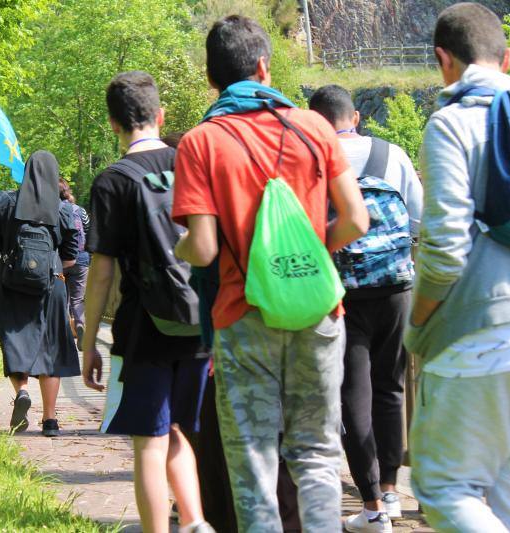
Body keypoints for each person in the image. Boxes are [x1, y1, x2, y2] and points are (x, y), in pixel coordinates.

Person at [171, 15, 368, 532]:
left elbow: (206, 248)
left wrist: (183, 245)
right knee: (318, 452)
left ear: (212, 79)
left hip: (244, 315)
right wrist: (299, 254)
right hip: (318, 309)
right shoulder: (315, 126)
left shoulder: (202, 142)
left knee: (254, 459)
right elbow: (356, 219)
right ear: (264, 66)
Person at [405, 4, 510, 531]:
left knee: (445, 486)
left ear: (443, 60)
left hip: (484, 340)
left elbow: (446, 248)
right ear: (508, 57)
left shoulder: (451, 124)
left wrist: (419, 324)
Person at [82, 71, 212, 533]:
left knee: (149, 442)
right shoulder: (192, 163)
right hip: (201, 321)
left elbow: (101, 273)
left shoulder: (113, 180)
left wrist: (87, 341)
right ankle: (194, 520)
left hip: (145, 327)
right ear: (160, 116)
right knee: (178, 430)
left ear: (113, 124)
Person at [309, 84, 423, 533]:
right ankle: (394, 491)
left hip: (341, 292)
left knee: (352, 393)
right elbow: (417, 217)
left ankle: (372, 503)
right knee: (391, 388)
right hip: (395, 287)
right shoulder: (391, 154)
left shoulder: (313, 158)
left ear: (317, 121)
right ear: (354, 117)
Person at [0, 151, 81, 437]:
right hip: (51, 284)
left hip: (11, 284)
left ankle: (22, 391)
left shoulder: (4, 201)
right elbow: (71, 256)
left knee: (14, 339)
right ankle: (50, 420)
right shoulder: (63, 209)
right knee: (51, 348)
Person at [59, 178, 90, 349]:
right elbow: (88, 231)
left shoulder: (53, 210)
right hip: (81, 259)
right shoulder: (81, 211)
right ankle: (80, 325)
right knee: (77, 299)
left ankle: (63, 334)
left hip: (60, 261)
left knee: (61, 298)